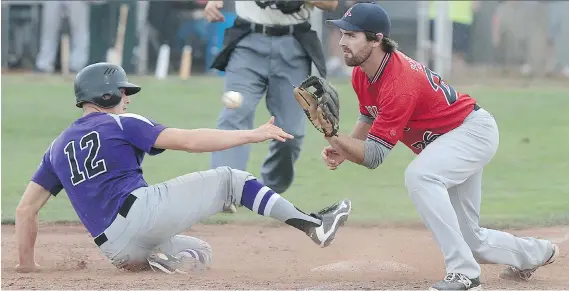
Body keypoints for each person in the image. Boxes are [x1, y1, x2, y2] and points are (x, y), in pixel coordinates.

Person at [14, 62, 352, 274]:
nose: (127, 99)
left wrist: (26, 264)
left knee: (199, 254)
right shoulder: (119, 122)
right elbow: (189, 141)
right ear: (104, 95)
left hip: (114, 249)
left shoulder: (55, 148)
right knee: (232, 180)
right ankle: (313, 226)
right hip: (140, 214)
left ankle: (151, 259)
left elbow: (25, 210)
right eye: (122, 92)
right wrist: (253, 134)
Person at [318, 3, 559, 290]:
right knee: (472, 241)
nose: (342, 41)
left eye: (352, 35)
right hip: (451, 141)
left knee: (420, 176)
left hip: (471, 133)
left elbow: (374, 156)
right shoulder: (362, 71)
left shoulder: (398, 81)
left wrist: (331, 134)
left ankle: (464, 275)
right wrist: (345, 147)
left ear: (376, 38)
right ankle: (536, 252)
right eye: (342, 33)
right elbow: (370, 113)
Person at [203, 0, 337, 198]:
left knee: (290, 134)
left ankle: (267, 192)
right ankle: (226, 192)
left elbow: (330, 3)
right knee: (235, 114)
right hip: (247, 42)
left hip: (294, 45)